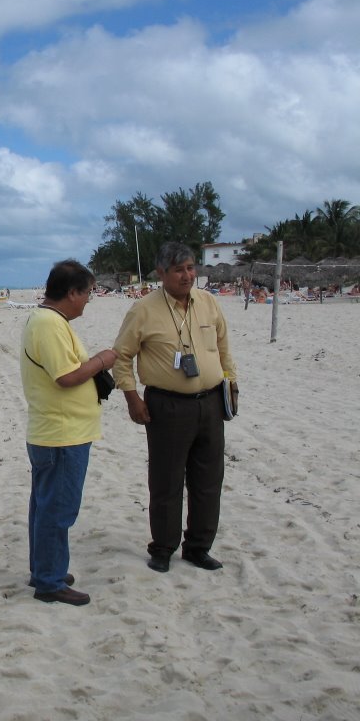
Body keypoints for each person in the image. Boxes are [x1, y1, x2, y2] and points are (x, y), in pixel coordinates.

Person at [112, 241, 239, 574]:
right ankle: (163, 548)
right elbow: (121, 357)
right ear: (161, 273)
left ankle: (198, 547)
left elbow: (224, 347)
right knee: (166, 481)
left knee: (208, 480)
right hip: (166, 406)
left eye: (191, 268)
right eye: (180, 269)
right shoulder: (143, 310)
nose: (188, 275)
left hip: (210, 403)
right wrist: (132, 397)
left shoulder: (209, 303)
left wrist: (231, 381)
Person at [21, 259, 117, 606]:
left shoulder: (48, 320)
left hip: (59, 430)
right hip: (61, 434)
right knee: (57, 509)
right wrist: (103, 360)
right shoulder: (48, 323)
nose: (89, 299)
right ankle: (48, 580)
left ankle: (45, 569)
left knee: (46, 506)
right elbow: (67, 377)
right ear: (72, 292)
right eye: (88, 292)